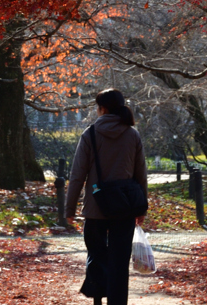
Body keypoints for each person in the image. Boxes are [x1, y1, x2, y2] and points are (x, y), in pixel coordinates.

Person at [65, 89, 148, 305]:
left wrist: (70, 209)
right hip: (125, 207)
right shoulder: (132, 135)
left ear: (102, 108)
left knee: (97, 256)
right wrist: (141, 208)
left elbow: (77, 175)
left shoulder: (90, 134)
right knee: (120, 262)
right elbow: (141, 174)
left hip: (96, 207)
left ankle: (97, 300)